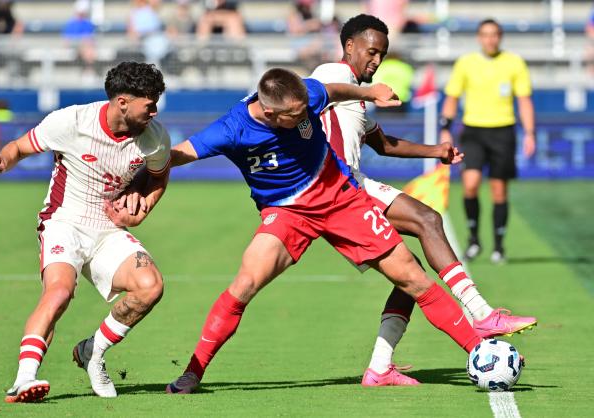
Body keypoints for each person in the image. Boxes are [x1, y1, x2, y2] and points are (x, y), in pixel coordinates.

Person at [159, 68, 487, 394]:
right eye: (295, 114)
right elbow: (179, 154)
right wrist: (143, 168)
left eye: (305, 108)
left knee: (412, 277)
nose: (305, 116)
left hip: (340, 197)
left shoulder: (307, 95)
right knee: (245, 282)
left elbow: (332, 91)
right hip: (287, 212)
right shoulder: (231, 129)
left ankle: (481, 352)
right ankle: (192, 372)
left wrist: (370, 93)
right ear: (270, 113)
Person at [309, 14, 536, 385]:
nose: (376, 61)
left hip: (355, 184)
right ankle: (480, 312)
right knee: (427, 220)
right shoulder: (330, 73)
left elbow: (382, 144)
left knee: (411, 272)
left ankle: (380, 367)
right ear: (349, 46)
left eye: (381, 54)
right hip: (337, 190)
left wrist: (437, 151)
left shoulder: (355, 93)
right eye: (371, 52)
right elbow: (312, 94)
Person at [0, 62, 172, 403]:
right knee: (59, 292)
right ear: (123, 101)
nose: (155, 109)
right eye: (150, 102)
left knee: (150, 286)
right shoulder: (71, 122)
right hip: (63, 222)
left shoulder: (154, 137)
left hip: (109, 229)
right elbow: (19, 148)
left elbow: (158, 178)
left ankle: (92, 353)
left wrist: (144, 207)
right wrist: (1, 161)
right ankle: (24, 379)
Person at [439, 18, 536, 264]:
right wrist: (446, 128)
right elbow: (452, 97)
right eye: (485, 34)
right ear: (479, 37)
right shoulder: (466, 63)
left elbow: (524, 100)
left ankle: (499, 245)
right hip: (473, 130)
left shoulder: (514, 63)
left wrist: (530, 133)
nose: (490, 39)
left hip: (503, 131)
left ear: (500, 36)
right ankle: (473, 239)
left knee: (499, 190)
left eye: (494, 34)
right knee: (470, 184)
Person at [62, 0, 97, 76]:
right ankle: (89, 69)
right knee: (87, 47)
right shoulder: (71, 23)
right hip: (75, 45)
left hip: (85, 46)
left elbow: (90, 38)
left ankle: (88, 69)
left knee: (88, 48)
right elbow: (66, 41)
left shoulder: (87, 23)